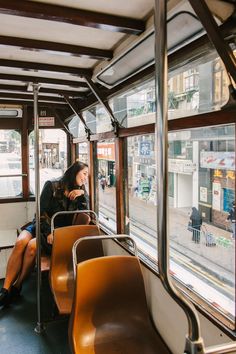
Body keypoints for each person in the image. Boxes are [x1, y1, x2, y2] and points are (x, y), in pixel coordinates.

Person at [0, 161, 89, 307]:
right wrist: (48, 231)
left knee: (31, 247)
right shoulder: (51, 185)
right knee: (20, 241)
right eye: (84, 173)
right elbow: (40, 212)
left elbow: (87, 212)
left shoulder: (80, 193)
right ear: (75, 172)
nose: (86, 178)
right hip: (42, 225)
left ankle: (17, 286)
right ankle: (5, 289)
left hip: (59, 234)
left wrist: (83, 193)